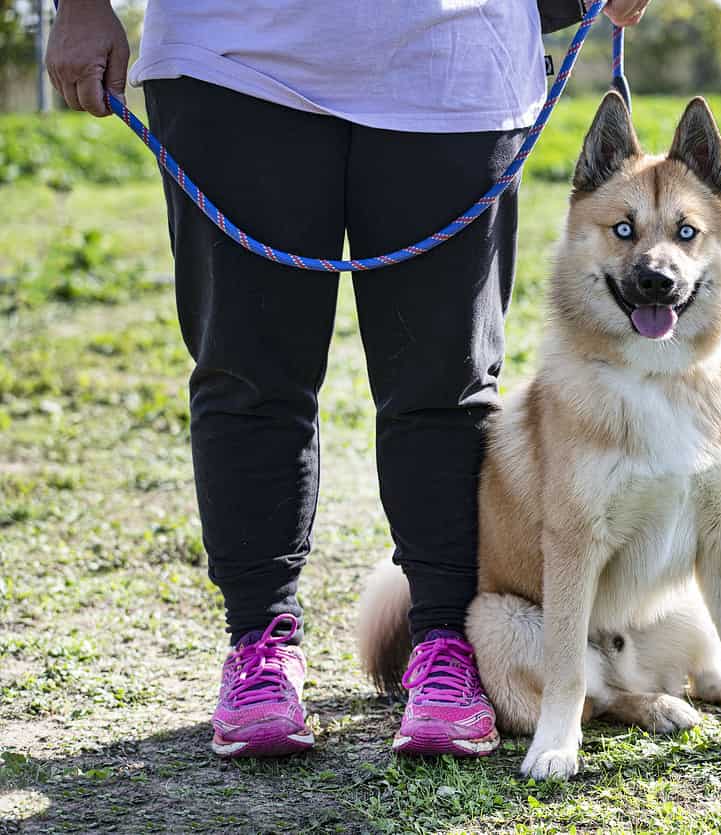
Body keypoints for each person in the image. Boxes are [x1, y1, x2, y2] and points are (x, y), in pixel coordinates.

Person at [45, 0, 651, 759]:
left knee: (446, 380)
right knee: (247, 371)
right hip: (233, 59)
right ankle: (259, 648)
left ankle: (445, 646)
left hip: (455, 63)